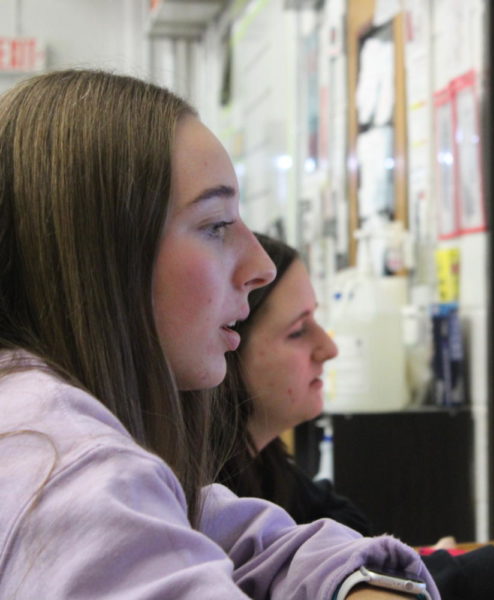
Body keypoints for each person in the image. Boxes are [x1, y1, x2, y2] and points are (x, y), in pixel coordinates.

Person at [0, 69, 439, 600]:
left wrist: (356, 583)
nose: (260, 266)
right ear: (101, 260)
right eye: (214, 224)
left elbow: (243, 539)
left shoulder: (59, 435)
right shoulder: (70, 470)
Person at [218, 233, 494, 600]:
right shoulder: (206, 500)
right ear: (225, 348)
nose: (329, 349)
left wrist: (426, 567)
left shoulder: (272, 471)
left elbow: (355, 550)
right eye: (298, 330)